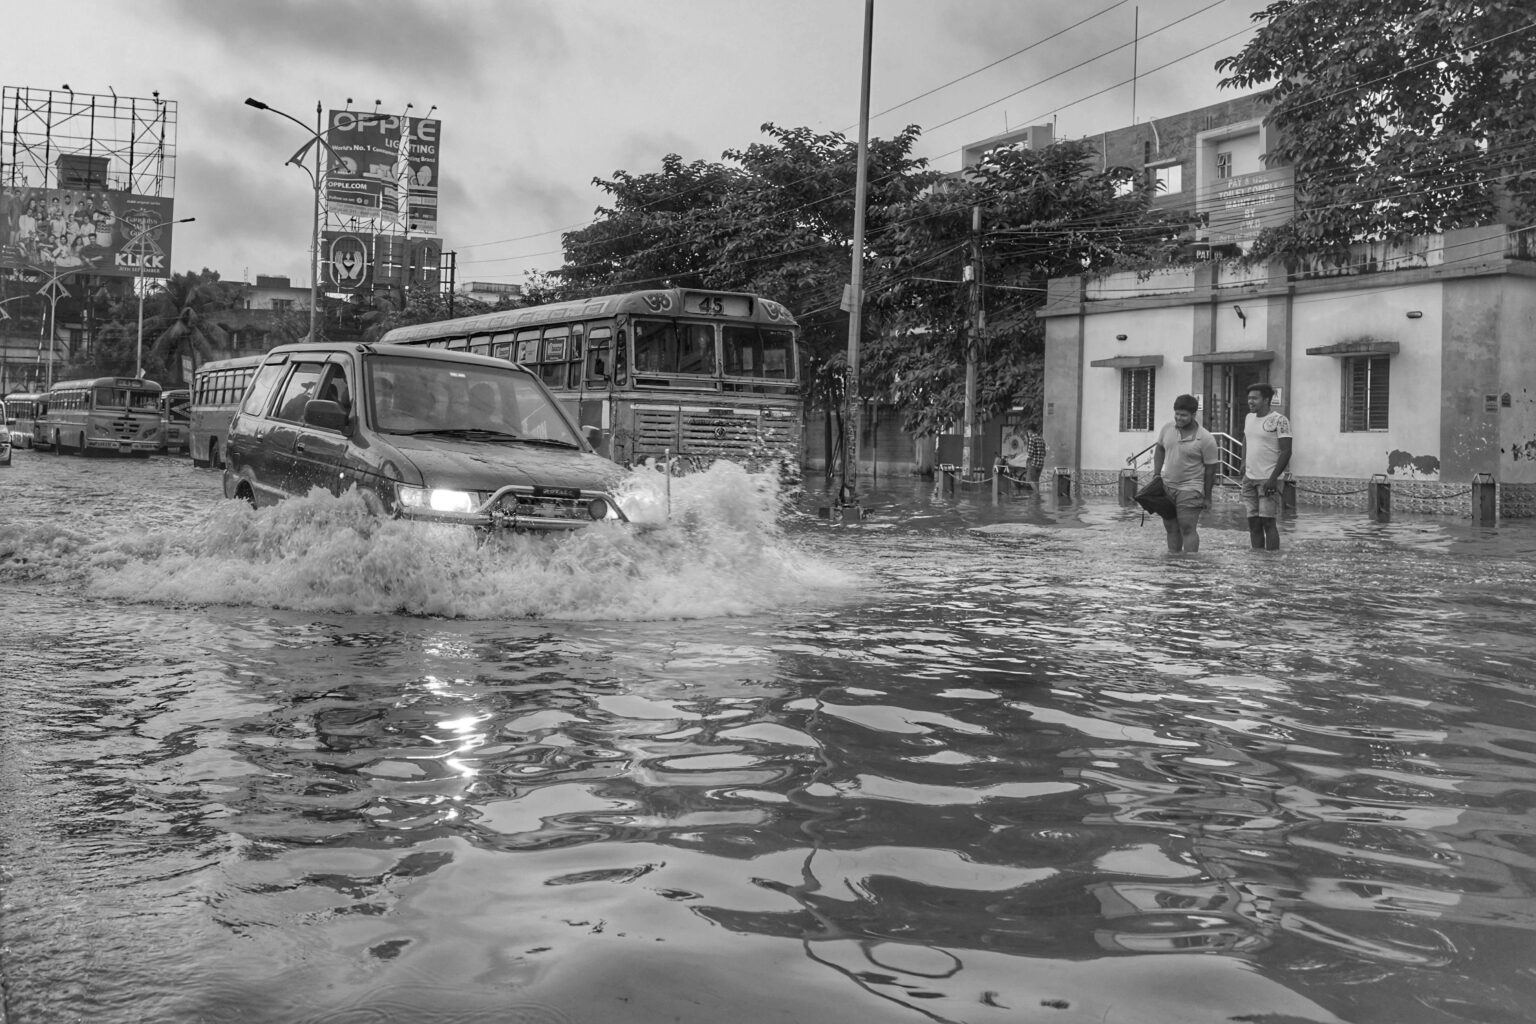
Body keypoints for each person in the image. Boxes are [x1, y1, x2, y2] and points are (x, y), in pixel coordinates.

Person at [1152, 394, 1219, 553]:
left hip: (1191, 488)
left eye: (1184, 415)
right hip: (1168, 486)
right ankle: (1174, 562)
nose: (1179, 418)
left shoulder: (1205, 438)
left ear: (1194, 415)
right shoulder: (1167, 429)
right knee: (1171, 527)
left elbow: (1211, 470)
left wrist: (1207, 496)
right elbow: (1160, 448)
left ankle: (1191, 564)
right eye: (1177, 414)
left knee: (1187, 527)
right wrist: (1156, 474)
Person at [1240, 382, 1293, 550]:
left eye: (1255, 398)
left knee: (1268, 523)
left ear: (1266, 399)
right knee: (1253, 523)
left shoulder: (1279, 420)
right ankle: (1257, 559)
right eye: (1249, 398)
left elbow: (1286, 451)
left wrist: (1273, 478)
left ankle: (1271, 562)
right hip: (1249, 478)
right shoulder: (1249, 418)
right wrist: (1243, 461)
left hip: (1268, 479)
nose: (1250, 401)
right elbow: (1246, 439)